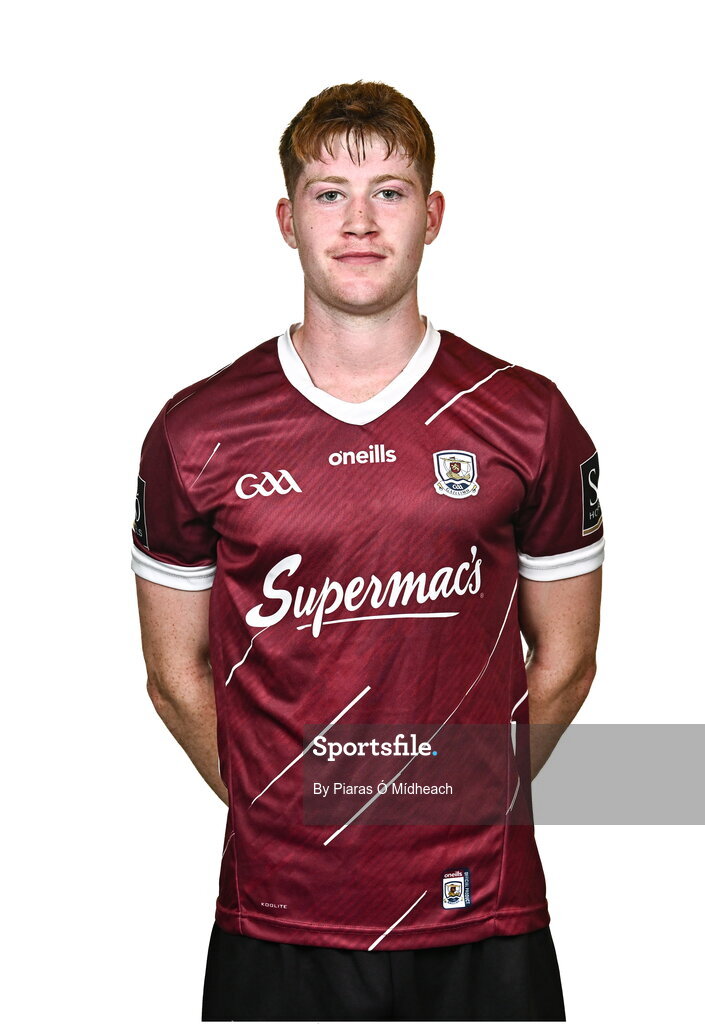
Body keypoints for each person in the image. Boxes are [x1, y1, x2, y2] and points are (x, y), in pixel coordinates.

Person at [131, 80, 603, 1021]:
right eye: (327, 193)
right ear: (284, 218)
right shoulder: (197, 430)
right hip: (277, 920)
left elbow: (566, 662)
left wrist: (441, 802)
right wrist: (286, 815)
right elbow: (174, 674)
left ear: (431, 216)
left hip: (482, 914)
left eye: (388, 191)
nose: (358, 222)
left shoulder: (526, 415)